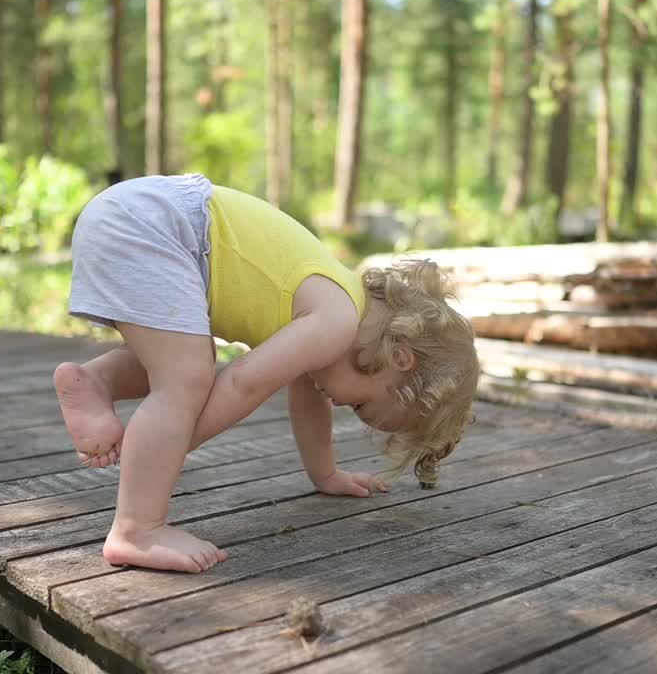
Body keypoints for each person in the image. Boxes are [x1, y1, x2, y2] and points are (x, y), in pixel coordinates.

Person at [54, 173, 477, 573]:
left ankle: (94, 382)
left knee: (184, 358)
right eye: (363, 404)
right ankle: (136, 529)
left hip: (142, 215)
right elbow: (243, 382)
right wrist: (169, 445)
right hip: (157, 226)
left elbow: (308, 403)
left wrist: (325, 474)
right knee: (188, 378)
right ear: (398, 359)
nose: (343, 404)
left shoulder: (338, 310)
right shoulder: (335, 323)